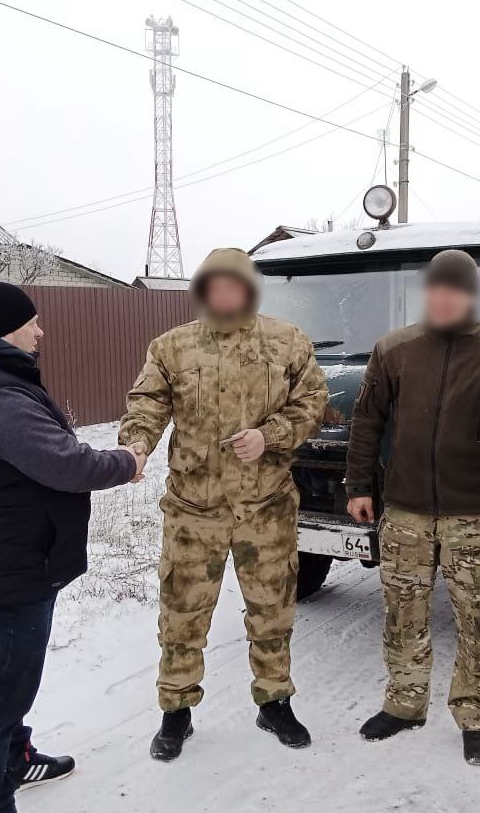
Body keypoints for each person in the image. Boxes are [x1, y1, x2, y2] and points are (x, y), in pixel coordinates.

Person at [0, 279, 146, 813]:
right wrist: (128, 462)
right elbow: (65, 464)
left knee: (5, 681)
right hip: (12, 564)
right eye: (34, 321)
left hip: (12, 556)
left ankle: (14, 758)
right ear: (8, 328)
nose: (41, 330)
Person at [119, 247, 328, 762]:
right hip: (195, 509)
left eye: (236, 284)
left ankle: (274, 700)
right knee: (182, 613)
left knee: (272, 610)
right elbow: (147, 404)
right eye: (216, 284)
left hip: (266, 506)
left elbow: (314, 402)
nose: (226, 293)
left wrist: (271, 435)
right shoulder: (173, 347)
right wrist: (136, 445)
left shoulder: (286, 343)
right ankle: (176, 711)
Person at [345, 249, 480, 766]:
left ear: (470, 296)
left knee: (476, 618)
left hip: (473, 513)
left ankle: (476, 716)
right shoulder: (395, 349)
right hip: (404, 511)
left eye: (454, 289)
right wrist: (360, 485)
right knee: (403, 612)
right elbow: (367, 423)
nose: (443, 298)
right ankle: (405, 703)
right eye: (435, 289)